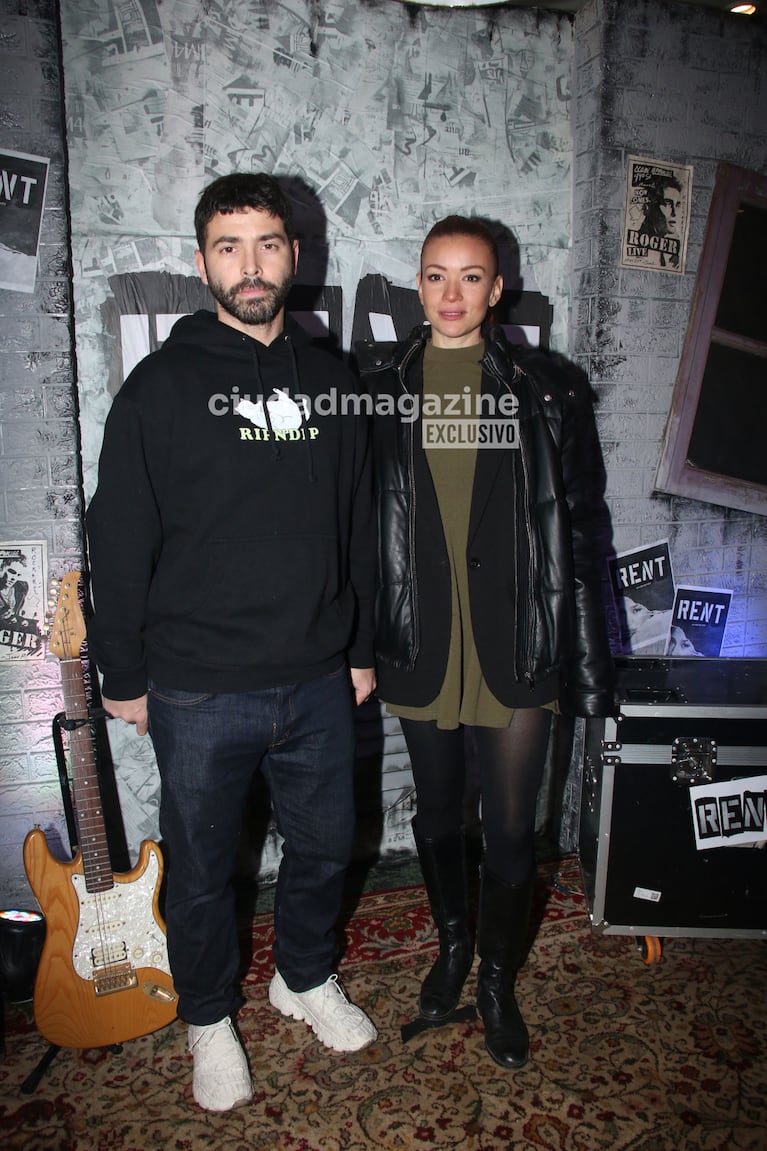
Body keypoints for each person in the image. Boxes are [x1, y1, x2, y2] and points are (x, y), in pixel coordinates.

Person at [86, 172, 378, 1113]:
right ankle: (209, 1017)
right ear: (203, 260)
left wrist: (360, 646)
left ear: (294, 254)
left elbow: (357, 527)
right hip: (198, 687)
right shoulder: (160, 387)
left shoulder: (333, 381)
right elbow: (120, 535)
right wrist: (122, 671)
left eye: (266, 243)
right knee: (205, 872)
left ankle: (301, 976)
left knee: (327, 846)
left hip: (316, 677)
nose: (249, 266)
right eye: (228, 245)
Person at [358, 216, 614, 1071]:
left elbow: (581, 530)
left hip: (517, 641)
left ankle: (498, 978)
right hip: (421, 636)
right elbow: (360, 529)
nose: (453, 294)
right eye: (437, 276)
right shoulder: (379, 383)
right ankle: (454, 946)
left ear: (497, 287)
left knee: (508, 829)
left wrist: (587, 667)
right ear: (417, 285)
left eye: (472, 277)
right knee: (436, 815)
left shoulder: (548, 388)